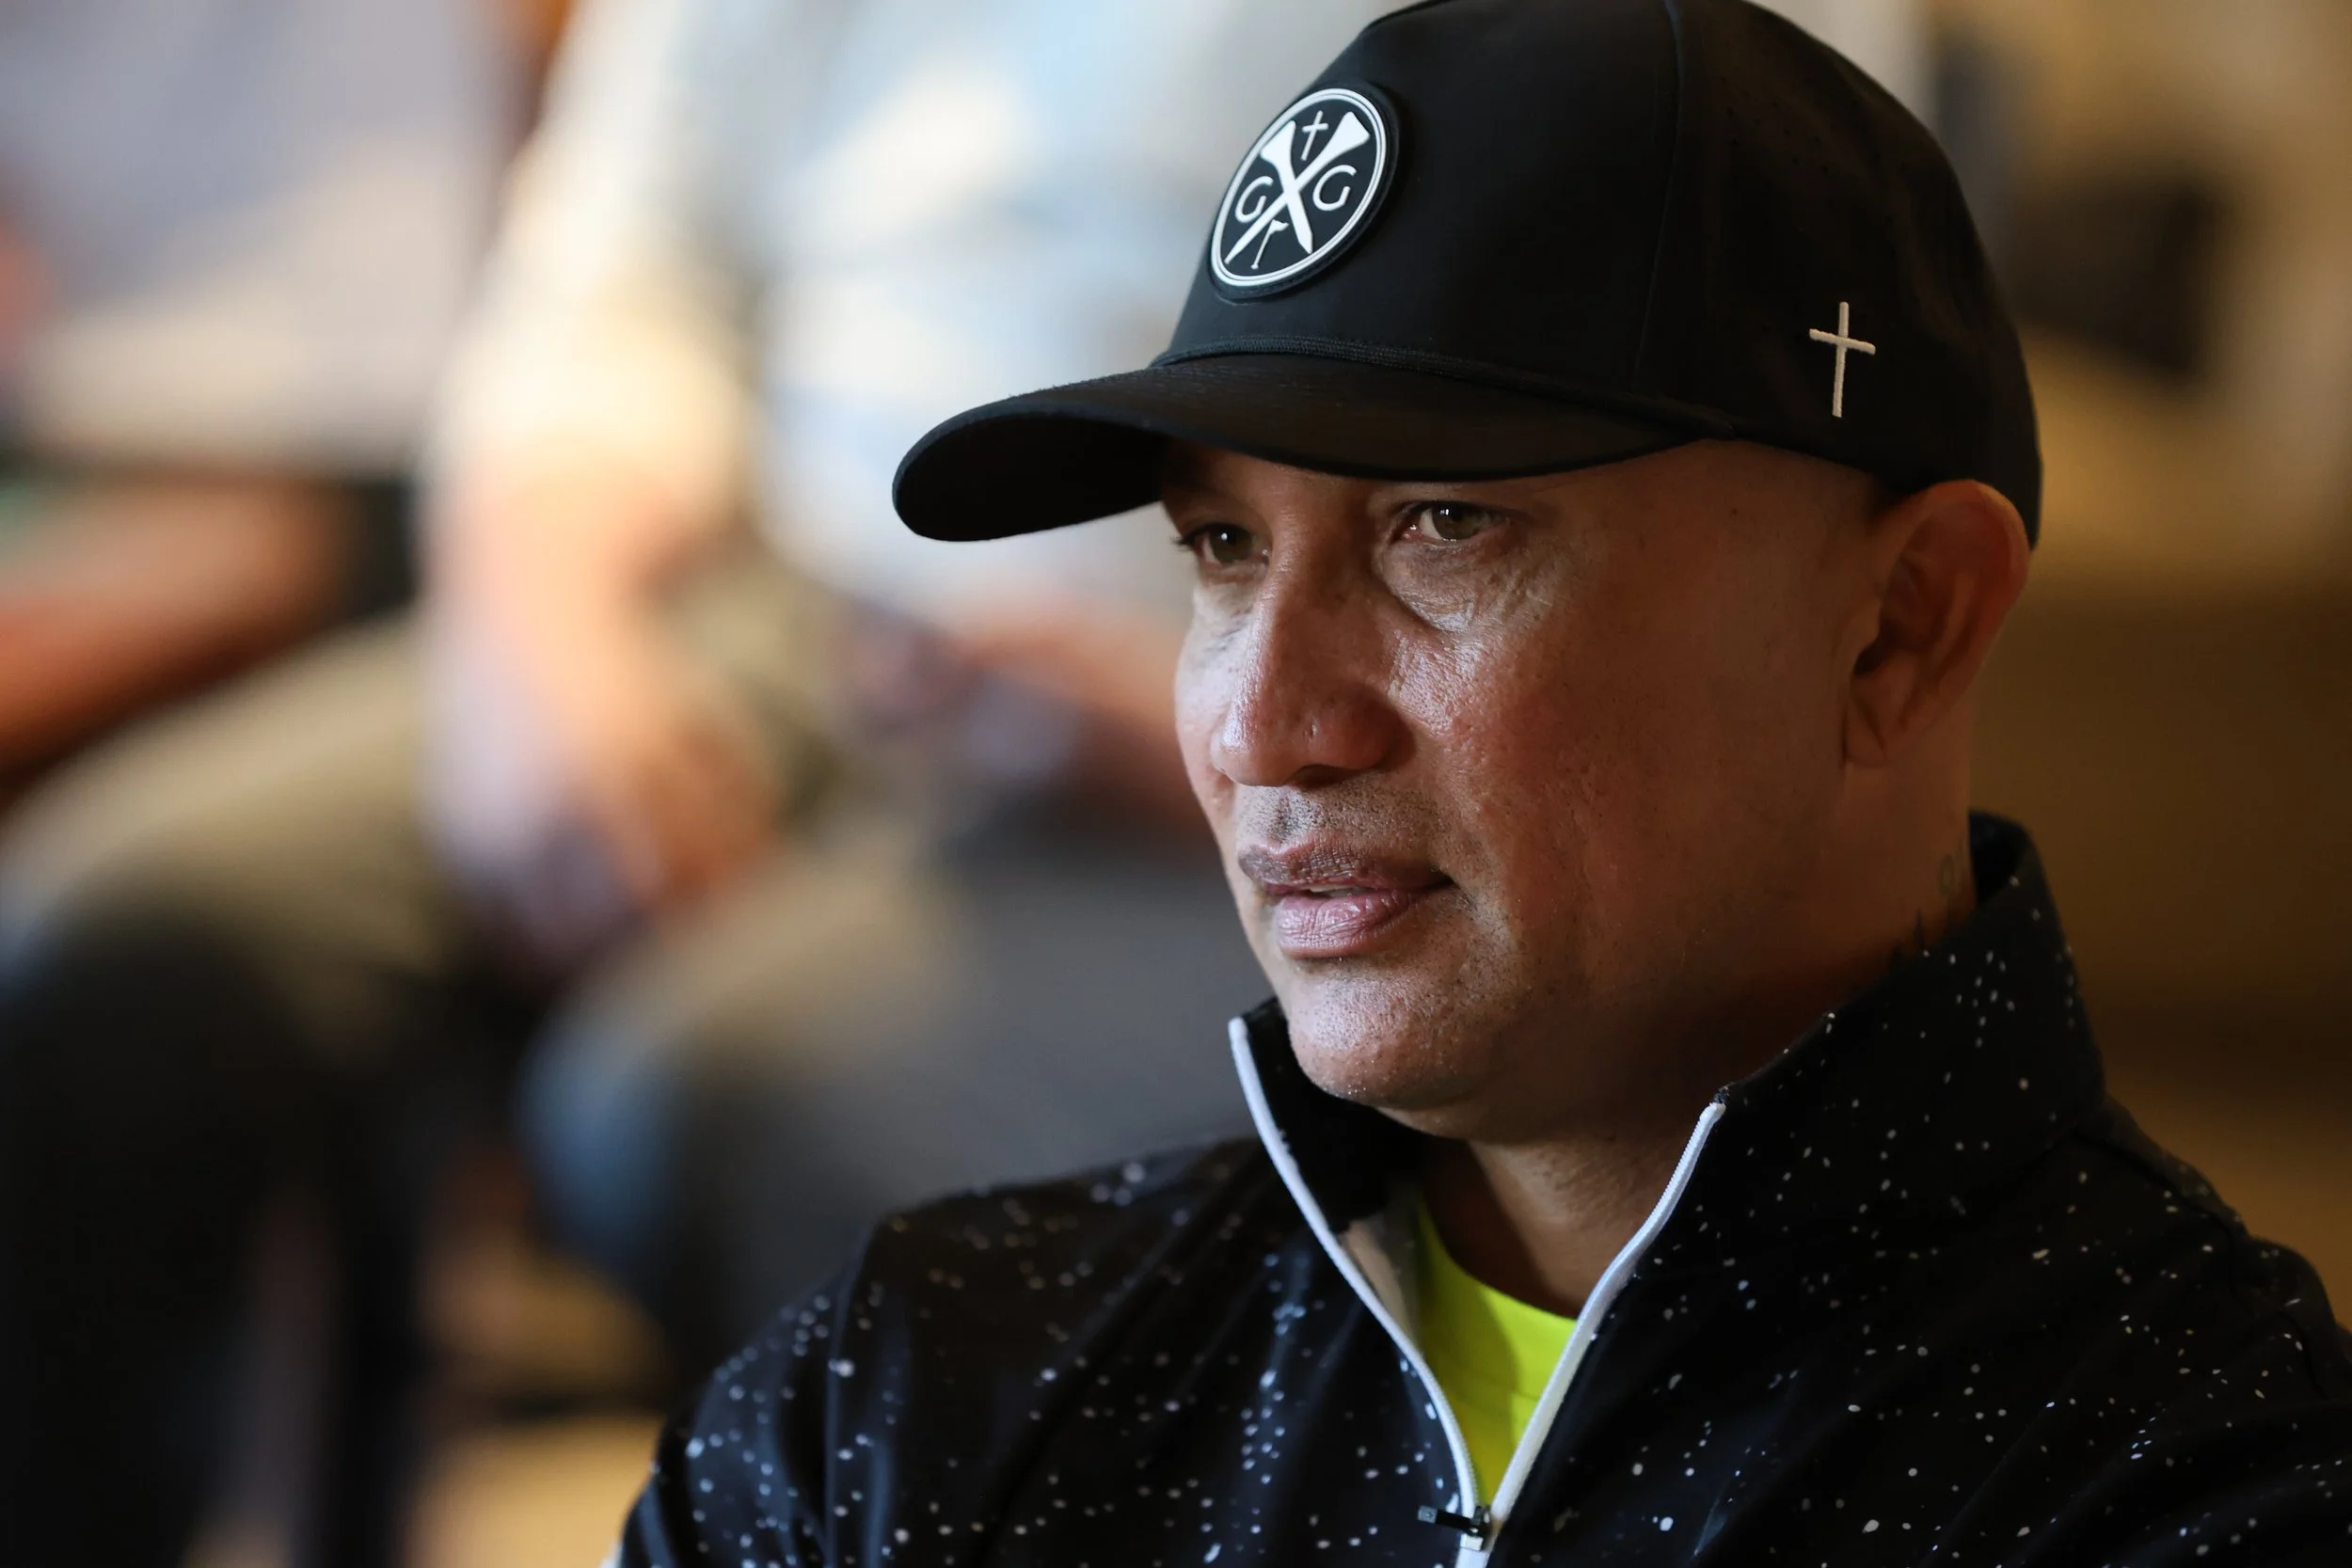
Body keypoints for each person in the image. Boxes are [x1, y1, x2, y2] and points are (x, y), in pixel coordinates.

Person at [617, 2, 2352, 1564]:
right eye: (1221, 547)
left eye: (1441, 527)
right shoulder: (894, 1402)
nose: (1262, 725)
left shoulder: (2216, 1487)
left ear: (1899, 624)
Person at [0, 2, 1399, 1565]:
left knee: (707, 1096)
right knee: (125, 935)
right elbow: (628, 266)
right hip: (788, 580)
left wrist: (1198, 712)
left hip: (1214, 663)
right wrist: (544, 639)